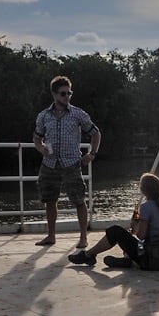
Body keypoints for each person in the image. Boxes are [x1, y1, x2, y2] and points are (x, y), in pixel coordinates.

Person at [33, 74, 101, 247]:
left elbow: (95, 133)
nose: (67, 97)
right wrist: (41, 148)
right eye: (63, 93)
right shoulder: (43, 116)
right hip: (49, 164)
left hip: (71, 163)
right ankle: (51, 236)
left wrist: (92, 154)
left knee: (79, 200)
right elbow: (37, 137)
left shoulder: (78, 114)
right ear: (54, 95)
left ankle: (83, 237)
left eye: (69, 93)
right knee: (49, 200)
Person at [68, 172, 159, 271]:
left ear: (144, 190)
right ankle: (129, 261)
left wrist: (135, 225)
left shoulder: (146, 207)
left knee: (115, 231)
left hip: (150, 259)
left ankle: (88, 255)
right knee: (130, 239)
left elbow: (141, 236)